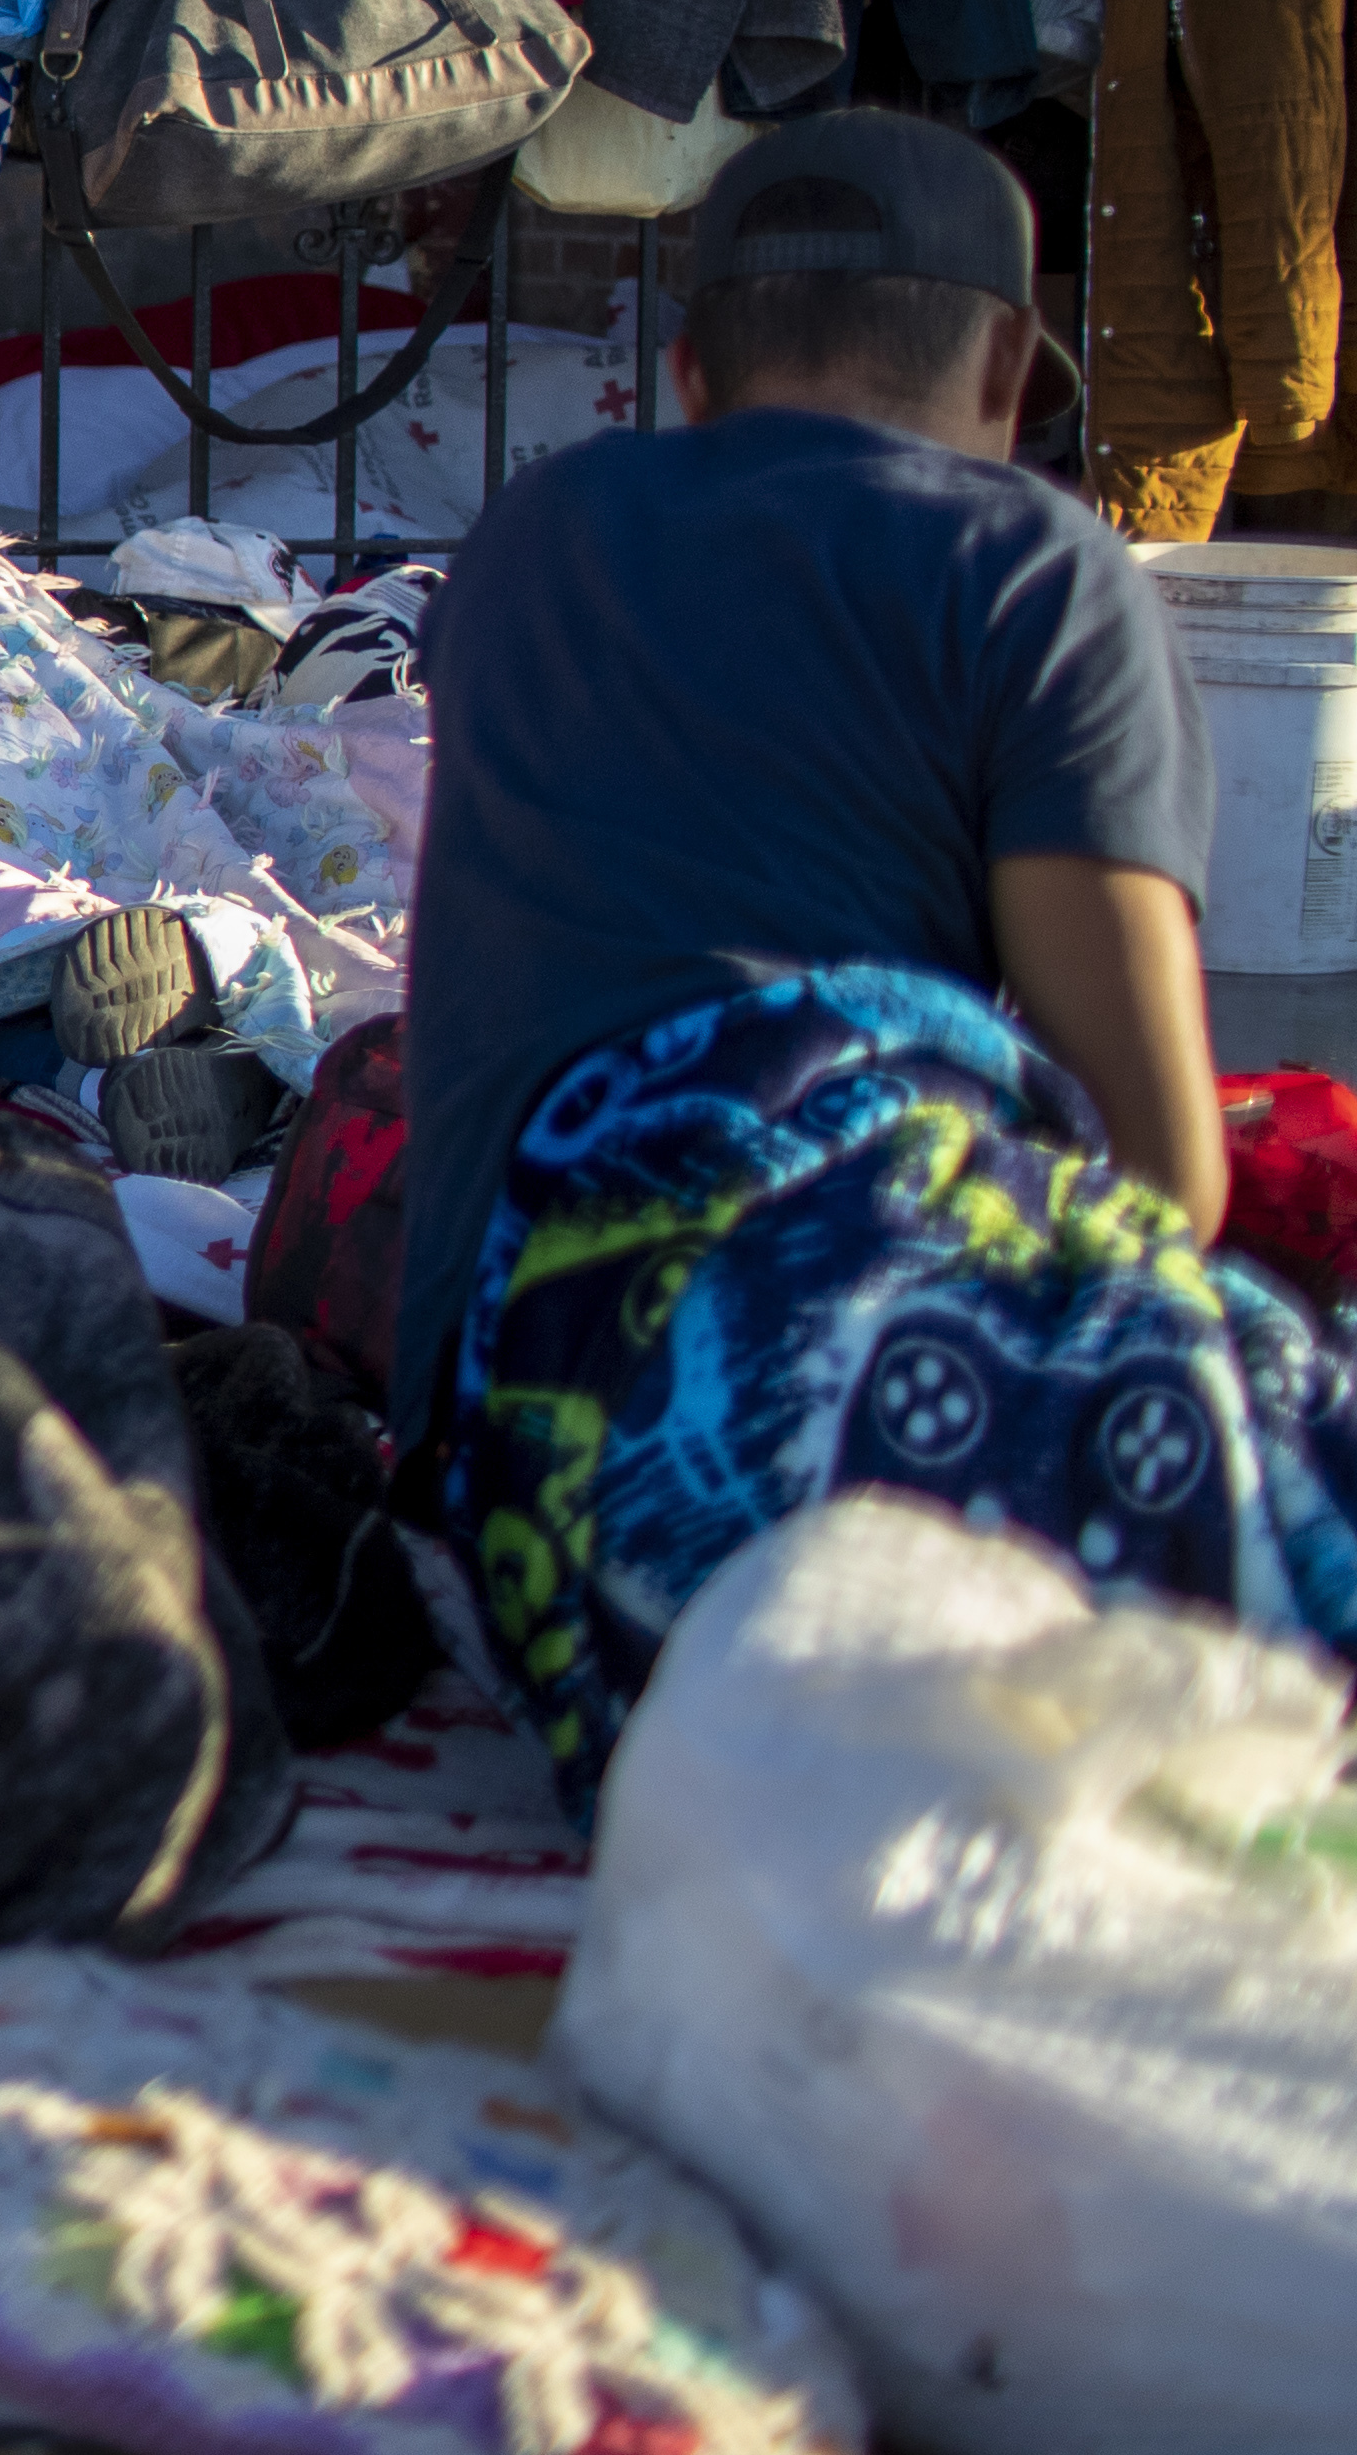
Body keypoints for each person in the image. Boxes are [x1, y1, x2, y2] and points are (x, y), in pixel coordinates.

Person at [402, 107, 1355, 1804]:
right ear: (1003, 368)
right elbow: (1161, 1171)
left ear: (688, 371)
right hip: (820, 1462)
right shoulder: (1038, 572)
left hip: (510, 1485)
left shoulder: (527, 537)